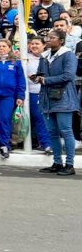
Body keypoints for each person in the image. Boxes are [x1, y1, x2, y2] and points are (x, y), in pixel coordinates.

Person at [34, 29, 78, 176]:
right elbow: (41, 73)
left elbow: (69, 75)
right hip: (47, 97)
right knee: (52, 132)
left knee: (66, 131)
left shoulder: (68, 55)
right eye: (48, 37)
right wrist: (36, 77)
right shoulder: (44, 56)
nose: (48, 39)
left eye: (52, 37)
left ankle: (70, 164)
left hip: (64, 97)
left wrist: (46, 80)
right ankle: (57, 162)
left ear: (61, 41)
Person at [26, 36, 52, 155]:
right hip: (31, 93)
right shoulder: (25, 58)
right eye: (32, 44)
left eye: (37, 44)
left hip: (46, 92)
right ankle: (46, 144)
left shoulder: (48, 57)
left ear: (44, 45)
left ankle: (48, 143)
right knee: (39, 118)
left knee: (45, 119)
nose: (34, 46)